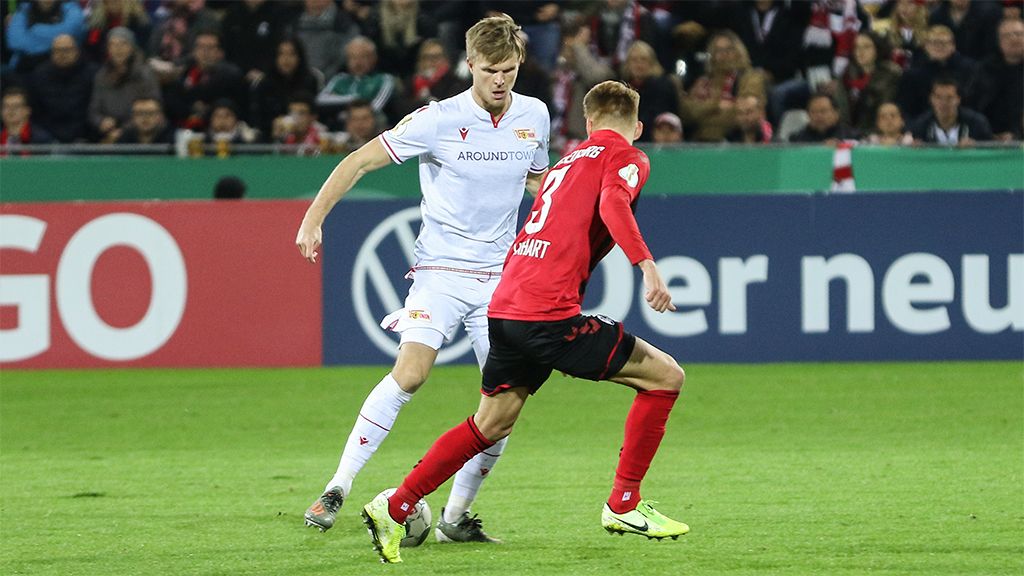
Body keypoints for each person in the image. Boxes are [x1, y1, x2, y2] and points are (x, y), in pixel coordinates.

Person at [360, 80, 687, 565]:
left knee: (490, 422)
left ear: (588, 123)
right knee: (666, 378)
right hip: (548, 315)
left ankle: (396, 504)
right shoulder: (628, 157)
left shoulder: (566, 162)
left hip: (506, 305)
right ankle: (625, 503)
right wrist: (648, 266)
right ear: (637, 128)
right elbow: (613, 204)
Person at [295, 14, 549, 543]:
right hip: (441, 271)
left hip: (501, 280)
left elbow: (534, 180)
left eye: (508, 70)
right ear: (470, 65)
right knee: (411, 373)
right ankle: (337, 486)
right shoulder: (437, 119)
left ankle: (455, 519)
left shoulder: (535, 115)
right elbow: (359, 161)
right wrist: (313, 218)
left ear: (519, 65)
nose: (500, 81)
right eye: (489, 71)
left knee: (505, 403)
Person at [679, 31, 766, 143]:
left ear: (739, 51)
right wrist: (716, 105)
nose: (724, 54)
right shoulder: (703, 82)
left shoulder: (750, 77)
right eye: (718, 51)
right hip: (699, 143)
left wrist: (703, 113)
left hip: (735, 141)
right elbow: (687, 113)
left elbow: (744, 114)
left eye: (729, 49)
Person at [88, 27, 160, 143]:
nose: (118, 49)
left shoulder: (145, 74)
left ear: (131, 48)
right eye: (113, 45)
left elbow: (153, 109)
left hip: (140, 131)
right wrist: (101, 121)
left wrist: (123, 131)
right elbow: (94, 110)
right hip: (109, 131)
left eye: (123, 44)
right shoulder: (101, 76)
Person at [316, 36, 398, 128]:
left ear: (373, 58)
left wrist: (345, 112)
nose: (357, 63)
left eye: (363, 57)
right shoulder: (339, 79)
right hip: (338, 127)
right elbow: (321, 100)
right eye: (353, 57)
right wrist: (351, 99)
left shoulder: (383, 79)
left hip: (372, 129)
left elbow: (375, 108)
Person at [28, 34, 96, 143]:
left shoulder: (92, 74)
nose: (62, 54)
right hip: (48, 137)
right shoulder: (40, 75)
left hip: (83, 136)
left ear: (76, 51)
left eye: (67, 50)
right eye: (58, 50)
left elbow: (93, 109)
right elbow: (35, 111)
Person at [972, 18, 1023, 141]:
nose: (1013, 39)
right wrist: (990, 135)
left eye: (1018, 34)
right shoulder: (985, 69)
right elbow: (975, 105)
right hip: (992, 139)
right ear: (999, 41)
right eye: (1007, 35)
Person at [909, 76, 992, 145]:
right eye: (938, 97)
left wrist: (977, 146)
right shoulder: (921, 125)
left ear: (958, 99)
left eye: (949, 98)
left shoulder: (977, 123)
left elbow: (991, 150)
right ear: (931, 99)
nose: (944, 102)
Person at [1, 86, 54, 154]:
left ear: (27, 110)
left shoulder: (42, 140)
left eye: (16, 106)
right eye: (6, 106)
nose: (11, 110)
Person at [789, 93, 859, 143]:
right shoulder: (797, 140)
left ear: (836, 114)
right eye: (813, 112)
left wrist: (841, 145)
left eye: (823, 111)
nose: (818, 116)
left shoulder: (852, 136)